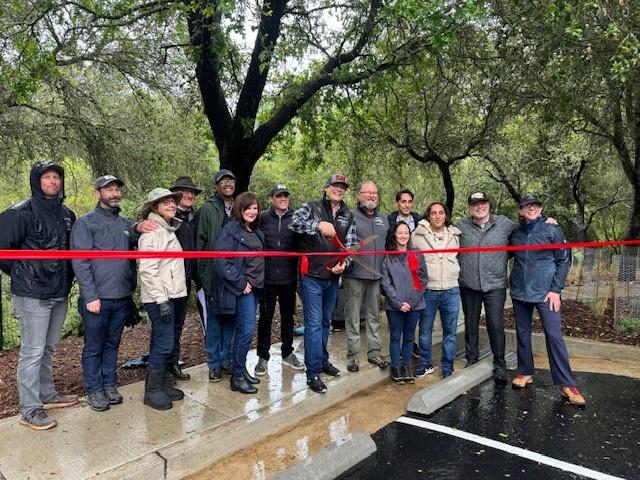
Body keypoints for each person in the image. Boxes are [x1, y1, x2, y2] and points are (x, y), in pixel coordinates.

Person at [0, 161, 79, 430]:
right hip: (32, 294)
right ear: (37, 181)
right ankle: (30, 409)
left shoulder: (67, 214)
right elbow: (3, 252)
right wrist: (26, 274)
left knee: (47, 347)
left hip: (59, 292)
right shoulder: (20, 213)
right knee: (32, 351)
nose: (52, 182)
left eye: (56, 177)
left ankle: (47, 395)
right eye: (47, 177)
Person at [71, 175, 141, 411]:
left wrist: (131, 288)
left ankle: (110, 384)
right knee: (94, 346)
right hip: (97, 300)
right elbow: (81, 262)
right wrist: (90, 296)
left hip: (121, 298)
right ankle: (94, 390)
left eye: (117, 190)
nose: (114, 194)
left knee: (113, 344)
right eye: (109, 190)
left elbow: (131, 258)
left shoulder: (124, 224)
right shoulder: (85, 223)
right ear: (97, 193)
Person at [509, 195, 586, 406]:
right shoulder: (515, 233)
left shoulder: (552, 230)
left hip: (546, 293)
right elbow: (501, 254)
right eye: (527, 206)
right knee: (522, 333)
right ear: (520, 210)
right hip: (519, 292)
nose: (531, 208)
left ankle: (566, 383)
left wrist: (555, 289)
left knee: (554, 336)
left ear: (541, 209)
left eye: (535, 205)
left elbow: (564, 261)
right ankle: (525, 371)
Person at [289, 173, 357, 393]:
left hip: (333, 277)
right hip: (311, 276)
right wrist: (318, 225)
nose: (338, 189)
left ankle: (322, 360)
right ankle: (312, 373)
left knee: (327, 323)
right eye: (335, 185)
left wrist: (344, 264)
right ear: (326, 188)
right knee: (314, 324)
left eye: (342, 187)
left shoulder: (348, 214)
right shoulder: (311, 207)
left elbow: (351, 246)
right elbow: (294, 223)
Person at [455, 192, 514, 384]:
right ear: (469, 208)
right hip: (469, 285)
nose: (479, 207)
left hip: (495, 285)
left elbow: (526, 229)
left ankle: (499, 364)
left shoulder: (504, 224)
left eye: (482, 203)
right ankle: (471, 359)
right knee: (471, 324)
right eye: (475, 204)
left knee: (495, 325)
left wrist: (547, 221)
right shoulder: (460, 226)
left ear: (489, 204)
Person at [139, 188, 188, 410]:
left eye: (173, 201)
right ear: (154, 207)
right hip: (160, 298)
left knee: (165, 341)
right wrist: (161, 300)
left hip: (173, 294)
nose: (171, 205)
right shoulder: (152, 232)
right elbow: (148, 270)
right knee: (163, 342)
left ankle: (161, 383)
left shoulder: (168, 229)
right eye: (165, 202)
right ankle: (152, 391)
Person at [214, 192, 265, 394]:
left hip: (256, 289)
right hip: (243, 289)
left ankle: (241, 370)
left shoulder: (255, 230)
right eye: (248, 208)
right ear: (240, 209)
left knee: (245, 332)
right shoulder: (231, 229)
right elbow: (221, 259)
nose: (253, 211)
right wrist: (240, 282)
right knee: (245, 331)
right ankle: (237, 376)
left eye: (255, 208)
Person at [255, 184, 304, 376]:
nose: (283, 198)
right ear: (271, 199)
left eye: (285, 196)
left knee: (287, 317)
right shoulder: (263, 218)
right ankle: (263, 356)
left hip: (289, 277)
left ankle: (287, 353)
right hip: (266, 278)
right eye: (279, 196)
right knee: (266, 318)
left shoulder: (296, 219)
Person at [411, 202, 461, 379]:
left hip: (451, 290)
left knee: (450, 332)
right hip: (428, 291)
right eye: (434, 213)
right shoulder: (417, 235)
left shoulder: (455, 234)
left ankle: (447, 367)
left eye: (441, 213)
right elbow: (410, 262)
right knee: (425, 331)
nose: (438, 216)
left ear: (445, 215)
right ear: (428, 216)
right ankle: (425, 363)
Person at [342, 181, 389, 372]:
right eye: (367, 192)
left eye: (374, 193)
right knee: (352, 316)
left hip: (376, 276)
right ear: (359, 195)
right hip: (354, 274)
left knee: (374, 316)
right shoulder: (349, 216)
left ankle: (374, 352)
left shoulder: (384, 219)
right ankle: (353, 356)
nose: (371, 196)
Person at [195, 169, 236, 382]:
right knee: (214, 321)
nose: (228, 184)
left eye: (231, 180)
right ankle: (214, 363)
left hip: (234, 274)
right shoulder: (207, 210)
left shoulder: (240, 207)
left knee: (231, 319)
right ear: (217, 186)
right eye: (223, 181)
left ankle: (227, 358)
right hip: (212, 274)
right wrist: (202, 276)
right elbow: (200, 244)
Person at [380, 222, 428, 384]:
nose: (403, 236)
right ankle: (395, 366)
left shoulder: (416, 254)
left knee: (409, 337)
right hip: (394, 306)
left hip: (415, 305)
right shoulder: (388, 257)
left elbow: (422, 279)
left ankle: (406, 366)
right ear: (394, 234)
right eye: (399, 233)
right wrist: (398, 303)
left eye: (406, 233)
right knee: (395, 336)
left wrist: (411, 302)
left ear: (410, 235)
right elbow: (385, 282)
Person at [168, 175, 203, 381]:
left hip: (187, 279)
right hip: (169, 281)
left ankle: (172, 363)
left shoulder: (195, 218)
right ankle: (162, 368)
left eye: (192, 192)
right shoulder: (169, 218)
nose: (189, 195)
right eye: (184, 191)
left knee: (178, 324)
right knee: (166, 326)